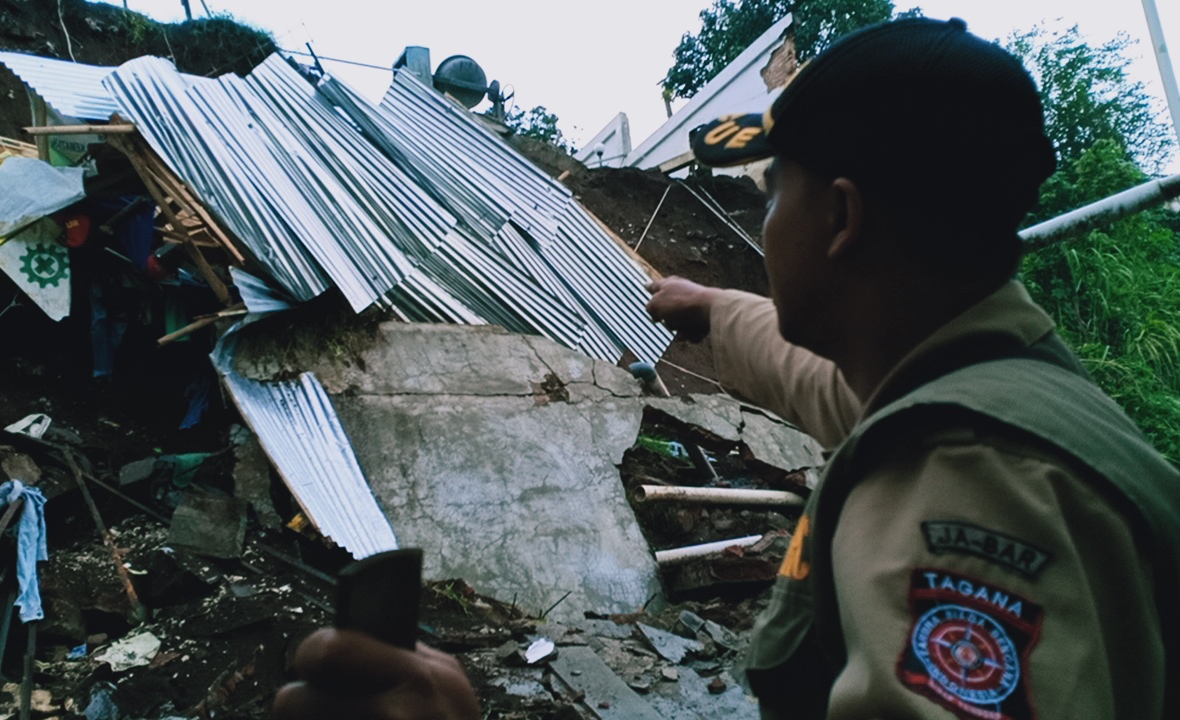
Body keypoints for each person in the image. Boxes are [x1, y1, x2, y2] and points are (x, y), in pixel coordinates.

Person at [275, 17, 1180, 719]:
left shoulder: (971, 486)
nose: (762, 222)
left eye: (772, 190)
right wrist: (710, 307)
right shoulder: (1003, 388)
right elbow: (833, 387)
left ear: (840, 217)